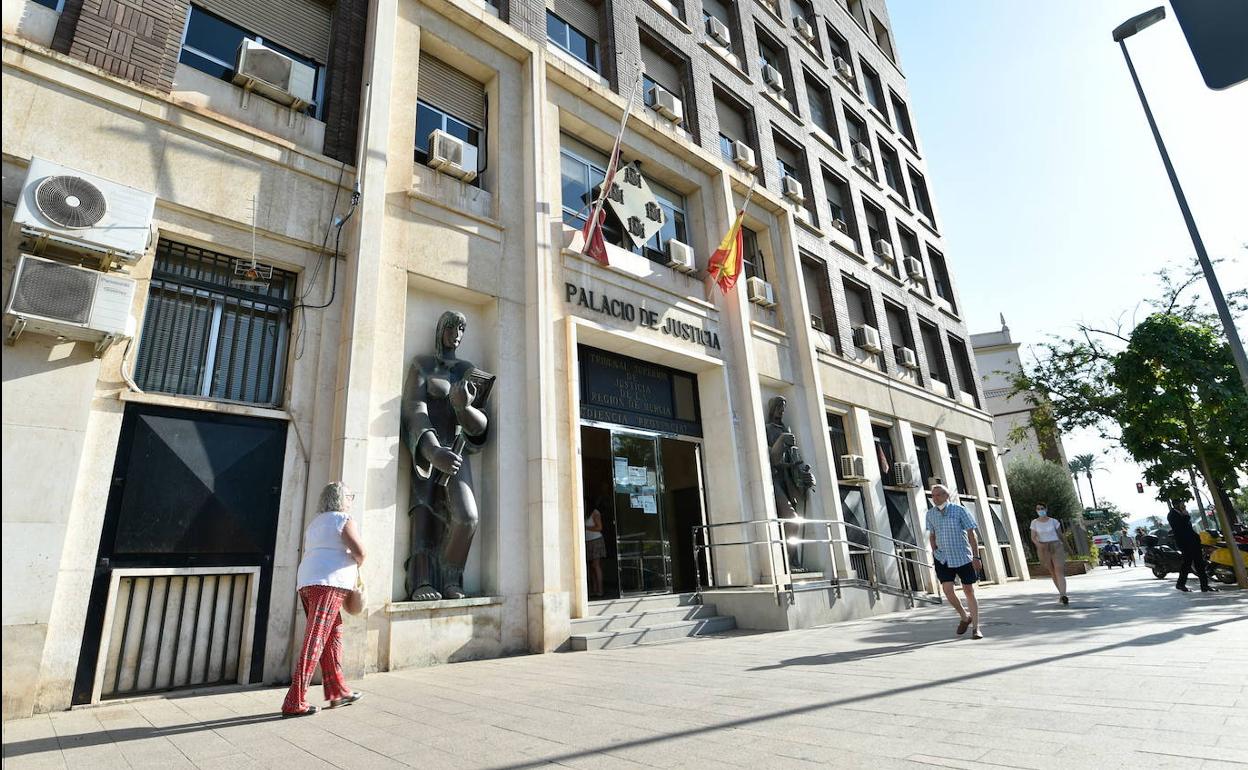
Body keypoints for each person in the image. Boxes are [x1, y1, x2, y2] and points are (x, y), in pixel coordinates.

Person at [281, 482, 366, 717]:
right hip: (328, 583)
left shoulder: (316, 523)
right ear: (342, 498)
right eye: (350, 496)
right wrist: (357, 561)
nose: (351, 500)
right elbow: (360, 551)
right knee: (316, 640)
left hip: (307, 581)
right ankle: (294, 701)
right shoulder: (343, 519)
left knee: (332, 634)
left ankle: (338, 692)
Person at [925, 484, 984, 639]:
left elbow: (972, 534)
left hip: (962, 556)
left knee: (968, 590)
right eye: (933, 495)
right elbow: (932, 534)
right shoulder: (930, 514)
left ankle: (976, 628)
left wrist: (976, 557)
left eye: (939, 494)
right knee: (947, 589)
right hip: (942, 557)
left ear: (946, 496)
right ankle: (964, 616)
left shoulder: (959, 510)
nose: (935, 498)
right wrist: (934, 549)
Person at [1167, 500, 1216, 592]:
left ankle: (1204, 586)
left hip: (1193, 542)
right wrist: (1186, 516)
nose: (1184, 506)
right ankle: (1180, 584)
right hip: (1185, 543)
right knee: (1187, 564)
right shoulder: (1172, 515)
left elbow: (1189, 529)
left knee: (1199, 564)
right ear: (1176, 505)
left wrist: (1198, 538)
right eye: (1182, 504)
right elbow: (1181, 528)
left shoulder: (1183, 514)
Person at [1029, 502, 1068, 604]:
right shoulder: (1034, 523)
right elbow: (1033, 537)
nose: (1040, 510)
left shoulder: (1054, 521)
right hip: (1043, 547)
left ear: (1046, 509)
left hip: (1056, 545)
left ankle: (1063, 594)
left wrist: (1067, 547)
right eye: (1038, 509)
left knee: (1059, 570)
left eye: (1042, 508)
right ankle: (1061, 594)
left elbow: (1060, 535)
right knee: (1052, 571)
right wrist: (1038, 544)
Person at [584, 496, 607, 598]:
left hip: (596, 541)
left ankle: (600, 590)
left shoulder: (595, 512)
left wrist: (586, 527)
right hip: (588, 541)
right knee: (591, 567)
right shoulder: (585, 514)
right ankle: (594, 589)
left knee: (595, 565)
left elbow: (599, 527)